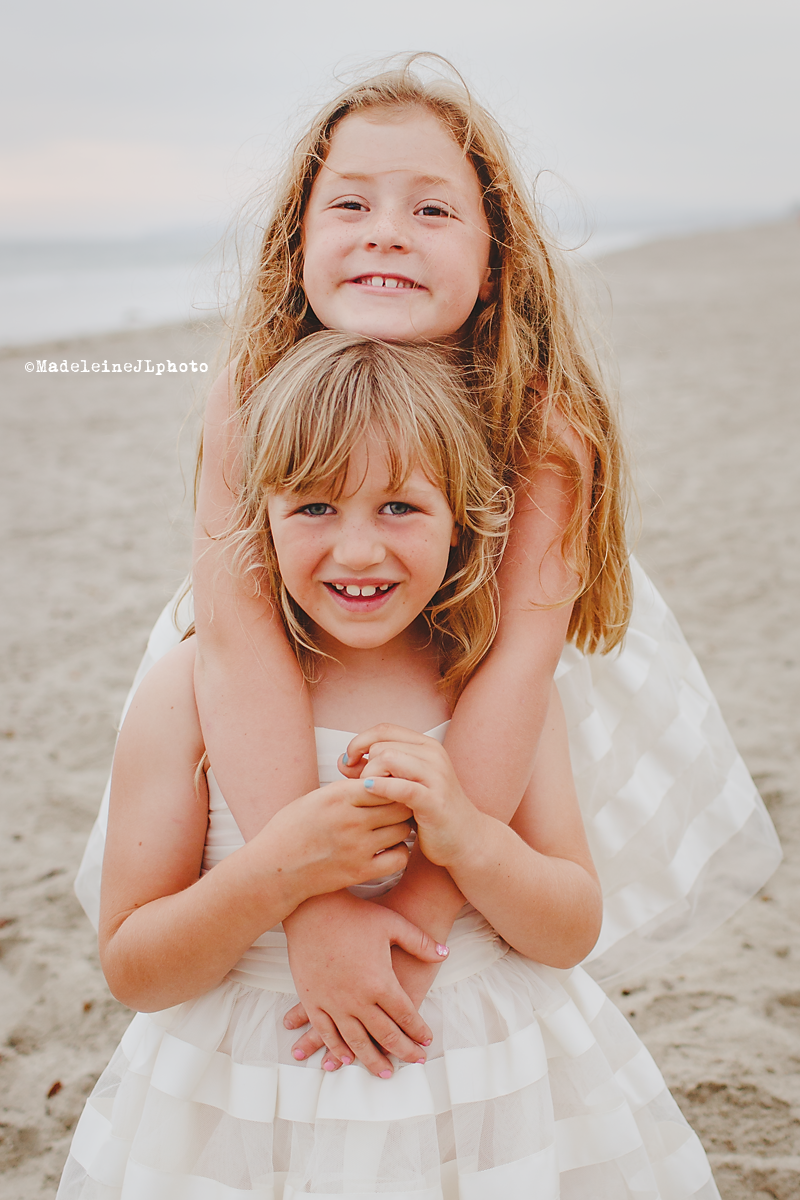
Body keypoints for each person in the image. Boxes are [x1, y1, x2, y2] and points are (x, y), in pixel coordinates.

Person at [74, 58, 779, 1071]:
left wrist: (411, 915)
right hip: (278, 650)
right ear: (296, 251)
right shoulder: (249, 387)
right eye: (349, 202)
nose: (385, 230)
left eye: (431, 210)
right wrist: (313, 906)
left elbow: (515, 668)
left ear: (491, 261)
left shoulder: (542, 422)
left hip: (482, 664)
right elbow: (235, 637)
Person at [59, 334, 720, 1197]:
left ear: (464, 519)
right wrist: (275, 877)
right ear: (262, 516)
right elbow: (135, 968)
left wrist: (469, 839)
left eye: (400, 508)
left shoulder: (485, 692)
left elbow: (569, 928)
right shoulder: (187, 690)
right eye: (314, 508)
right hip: (253, 1097)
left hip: (482, 1090)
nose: (359, 550)